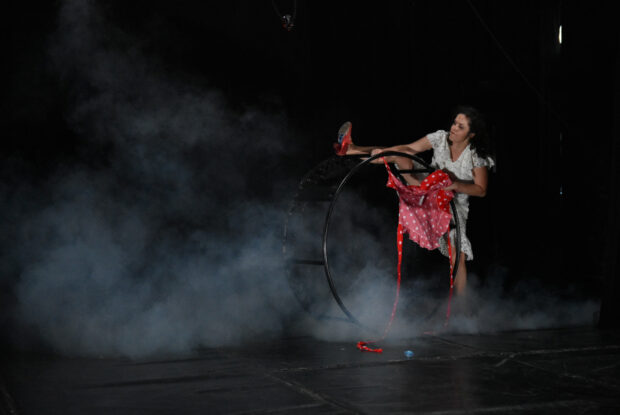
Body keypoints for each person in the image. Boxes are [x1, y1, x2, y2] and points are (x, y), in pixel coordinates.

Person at [334, 106, 495, 299]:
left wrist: (456, 185)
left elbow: (481, 189)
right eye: (454, 123)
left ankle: (461, 306)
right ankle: (356, 150)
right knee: (402, 153)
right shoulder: (441, 138)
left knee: (457, 255)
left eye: (460, 127)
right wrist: (384, 153)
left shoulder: (475, 156)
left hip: (452, 203)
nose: (453, 128)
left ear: (471, 134)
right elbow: (409, 149)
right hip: (426, 184)